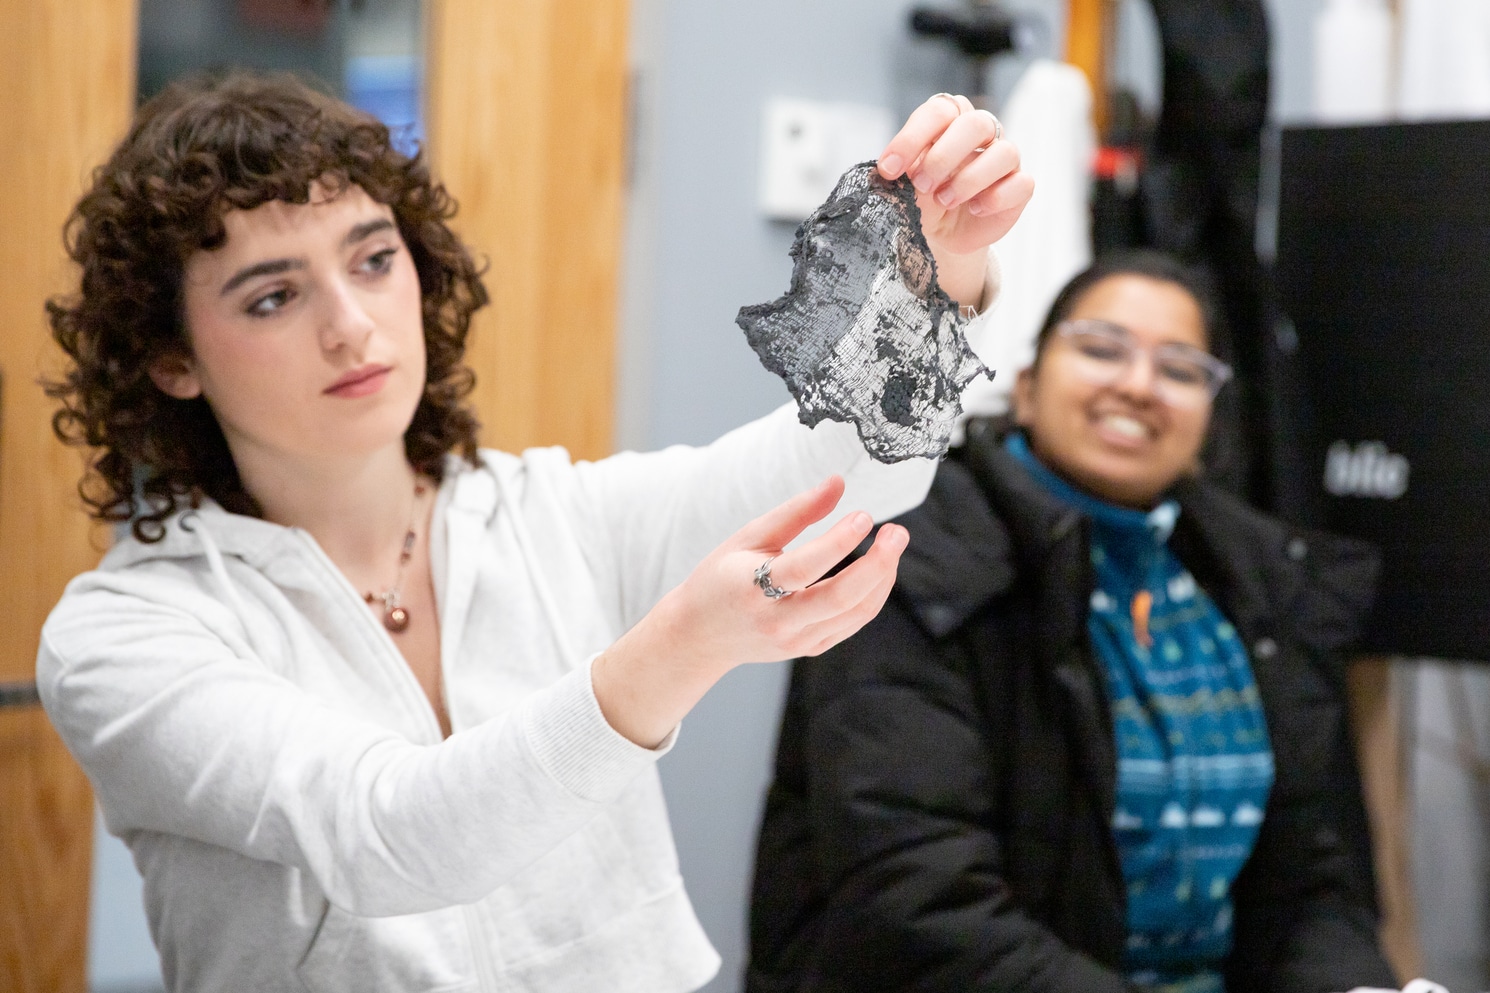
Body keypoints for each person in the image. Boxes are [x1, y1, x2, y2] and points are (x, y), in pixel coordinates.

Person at [37, 75, 1032, 993]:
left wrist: (935, 274)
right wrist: (679, 648)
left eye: (374, 259)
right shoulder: (124, 637)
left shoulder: (547, 516)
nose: (353, 326)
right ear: (172, 360)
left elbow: (842, 472)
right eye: (273, 296)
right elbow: (394, 838)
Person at [748, 251, 1398, 993]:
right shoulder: (907, 563)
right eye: (1100, 348)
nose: (1139, 384)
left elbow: (1310, 879)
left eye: (1181, 368)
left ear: (1209, 420)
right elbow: (914, 903)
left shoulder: (1263, 587)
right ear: (1026, 388)